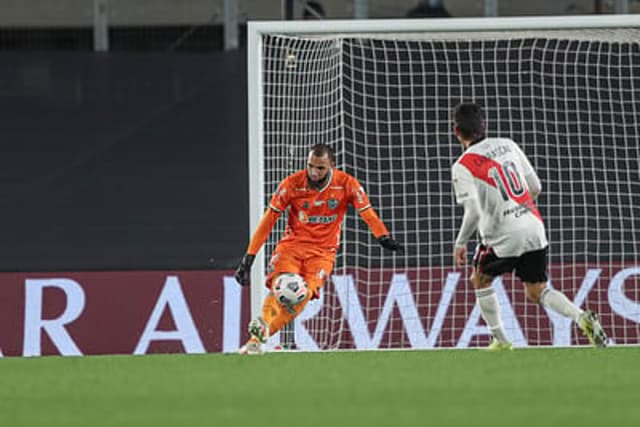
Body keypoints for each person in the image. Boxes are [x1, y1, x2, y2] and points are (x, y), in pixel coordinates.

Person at [450, 102, 607, 350]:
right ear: (484, 126)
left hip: (501, 236)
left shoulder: (462, 166)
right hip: (533, 227)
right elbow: (536, 188)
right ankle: (581, 318)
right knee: (536, 290)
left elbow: (472, 211)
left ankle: (501, 341)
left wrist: (460, 243)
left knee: (479, 279)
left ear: (456, 131)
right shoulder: (508, 144)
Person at [234, 143, 402, 354]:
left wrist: (382, 236)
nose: (314, 172)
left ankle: (261, 334)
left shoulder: (346, 184)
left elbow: (367, 212)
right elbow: (268, 220)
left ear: (332, 165)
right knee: (281, 286)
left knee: (302, 294)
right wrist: (249, 258)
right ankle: (259, 336)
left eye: (320, 168)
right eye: (310, 166)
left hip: (323, 253)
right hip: (292, 247)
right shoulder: (292, 184)